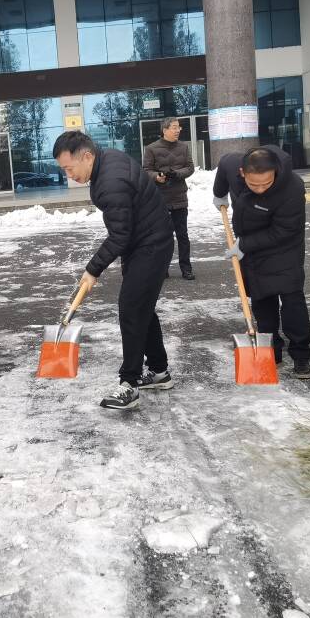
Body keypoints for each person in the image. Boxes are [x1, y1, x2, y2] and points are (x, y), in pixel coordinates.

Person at [53, 130, 174, 411]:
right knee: (141, 308)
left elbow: (119, 235)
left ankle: (129, 383)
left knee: (131, 310)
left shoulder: (111, 181)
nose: (68, 175)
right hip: (144, 240)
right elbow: (124, 232)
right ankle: (159, 371)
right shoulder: (107, 159)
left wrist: (93, 269)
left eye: (69, 168)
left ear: (87, 156)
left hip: (151, 244)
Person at [213, 145, 310, 380]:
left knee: (292, 299)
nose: (260, 189)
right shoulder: (234, 165)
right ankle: (271, 351)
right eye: (253, 184)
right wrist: (219, 193)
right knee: (261, 298)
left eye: (266, 184)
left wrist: (244, 245)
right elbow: (224, 165)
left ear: (276, 172)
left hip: (285, 247)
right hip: (253, 249)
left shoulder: (292, 188)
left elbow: (284, 231)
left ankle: (301, 355)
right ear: (242, 173)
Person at [142, 117, 196, 280]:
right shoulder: (151, 148)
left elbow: (190, 168)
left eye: (178, 127)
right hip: (160, 199)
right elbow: (146, 170)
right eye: (174, 127)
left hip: (179, 197)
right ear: (164, 130)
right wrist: (156, 177)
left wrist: (177, 174)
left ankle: (186, 269)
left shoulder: (184, 147)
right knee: (162, 237)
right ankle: (162, 269)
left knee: (182, 236)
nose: (178, 130)